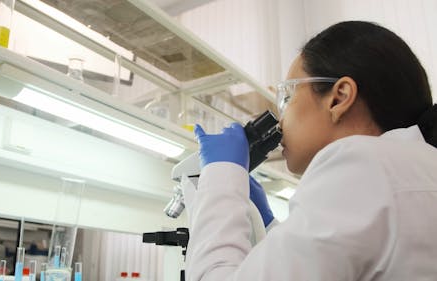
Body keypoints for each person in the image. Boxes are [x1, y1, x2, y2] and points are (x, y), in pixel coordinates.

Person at [183, 21, 437, 281]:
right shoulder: (416, 166)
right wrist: (272, 229)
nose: (281, 120)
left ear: (339, 97)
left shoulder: (362, 164)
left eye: (288, 97)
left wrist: (221, 178)